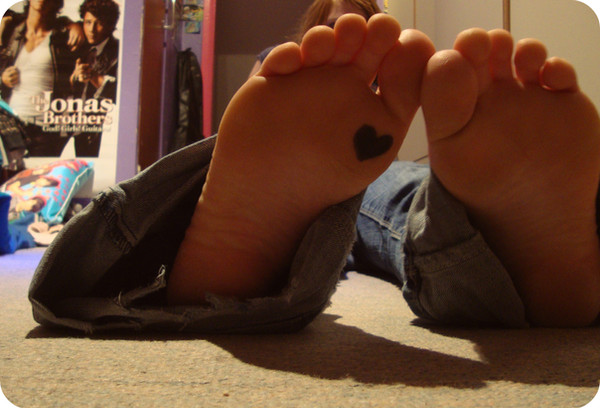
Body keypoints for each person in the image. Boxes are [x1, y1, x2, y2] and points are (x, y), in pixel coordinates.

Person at [28, 14, 600, 334]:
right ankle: (482, 245)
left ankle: (276, 262)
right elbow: (254, 135)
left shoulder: (303, 106)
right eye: (331, 26)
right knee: (395, 196)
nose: (357, 43)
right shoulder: (280, 80)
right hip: (316, 174)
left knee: (389, 188)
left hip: (344, 172)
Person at [0, 0, 83, 157]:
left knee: (41, 173)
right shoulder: (11, 29)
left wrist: (72, 24)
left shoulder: (63, 36)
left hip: (45, 132)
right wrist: (2, 80)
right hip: (11, 127)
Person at [247, 0, 381, 78]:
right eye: (333, 25)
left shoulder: (379, 92)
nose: (346, 38)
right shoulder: (275, 61)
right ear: (314, 25)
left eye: (357, 31)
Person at [69, 0, 119, 157]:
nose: (91, 29)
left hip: (101, 130)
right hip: (70, 124)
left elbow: (122, 92)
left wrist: (93, 77)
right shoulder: (77, 44)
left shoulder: (119, 51)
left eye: (100, 23)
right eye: (88, 22)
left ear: (110, 26)